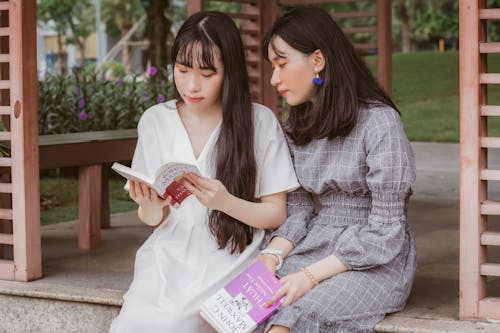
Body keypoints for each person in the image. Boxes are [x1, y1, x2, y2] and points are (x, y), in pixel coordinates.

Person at [109, 11, 299, 333]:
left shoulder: (259, 122)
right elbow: (155, 221)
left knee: (174, 324)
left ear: (231, 73)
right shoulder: (155, 120)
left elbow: (276, 213)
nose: (191, 85)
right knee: (132, 325)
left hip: (231, 253)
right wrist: (151, 209)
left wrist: (225, 202)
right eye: (182, 70)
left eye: (207, 74)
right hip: (169, 253)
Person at [255, 7, 417, 333]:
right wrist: (272, 255)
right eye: (272, 67)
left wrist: (309, 276)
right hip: (316, 246)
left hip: (376, 260)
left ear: (317, 60)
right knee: (245, 310)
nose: (274, 79)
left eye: (282, 64)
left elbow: (386, 232)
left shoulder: (380, 122)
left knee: (291, 319)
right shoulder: (295, 128)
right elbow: (298, 209)